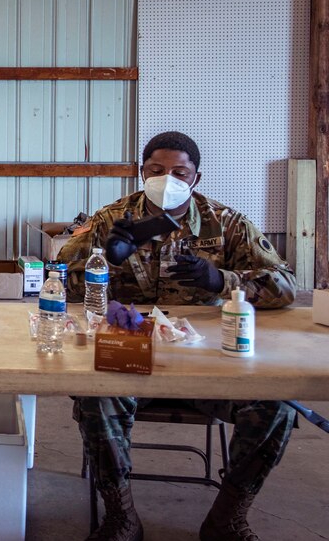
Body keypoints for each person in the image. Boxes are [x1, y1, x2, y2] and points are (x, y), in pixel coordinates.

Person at [58, 131, 296, 541]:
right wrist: (106, 262)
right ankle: (121, 515)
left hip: (207, 358)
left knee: (277, 405)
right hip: (129, 354)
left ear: (196, 178)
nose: (167, 179)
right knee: (93, 394)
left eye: (179, 172)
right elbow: (55, 283)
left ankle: (228, 518)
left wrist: (222, 279)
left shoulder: (227, 223)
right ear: (141, 172)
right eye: (156, 171)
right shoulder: (110, 220)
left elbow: (286, 285)